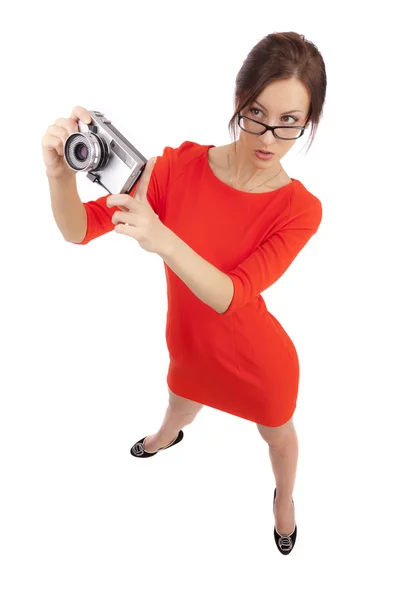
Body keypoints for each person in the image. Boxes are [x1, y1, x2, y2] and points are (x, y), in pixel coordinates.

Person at [42, 31, 327, 555]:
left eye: (289, 122)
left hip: (258, 360)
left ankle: (284, 501)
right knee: (178, 402)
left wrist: (162, 238)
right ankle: (166, 436)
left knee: (278, 437)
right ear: (238, 103)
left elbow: (233, 296)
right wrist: (58, 173)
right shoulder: (177, 167)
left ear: (308, 122)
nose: (268, 136)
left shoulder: (299, 210)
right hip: (190, 345)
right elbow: (77, 229)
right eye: (256, 113)